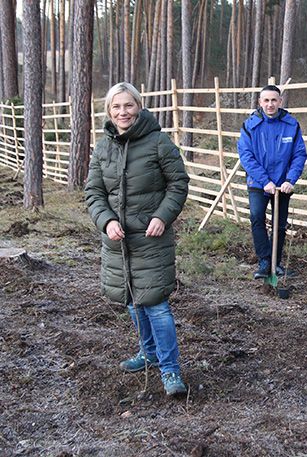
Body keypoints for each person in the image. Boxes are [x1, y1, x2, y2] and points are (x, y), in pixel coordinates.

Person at [85, 82, 190, 396]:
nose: (122, 112)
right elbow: (93, 192)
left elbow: (178, 184)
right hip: (119, 242)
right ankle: (149, 354)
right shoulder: (102, 147)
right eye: (116, 107)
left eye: (128, 105)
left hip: (151, 238)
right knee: (132, 301)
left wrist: (162, 216)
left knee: (156, 305)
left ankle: (170, 371)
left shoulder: (159, 142)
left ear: (139, 107)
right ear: (109, 111)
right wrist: (106, 221)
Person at [238, 85, 307, 279]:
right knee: (257, 217)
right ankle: (264, 261)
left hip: (282, 184)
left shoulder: (291, 125)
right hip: (258, 183)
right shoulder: (250, 125)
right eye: (266, 100)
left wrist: (290, 179)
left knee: (280, 224)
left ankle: (276, 264)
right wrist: (264, 181)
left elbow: (299, 154)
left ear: (280, 102)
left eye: (274, 100)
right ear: (260, 103)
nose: (270, 104)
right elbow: (246, 156)